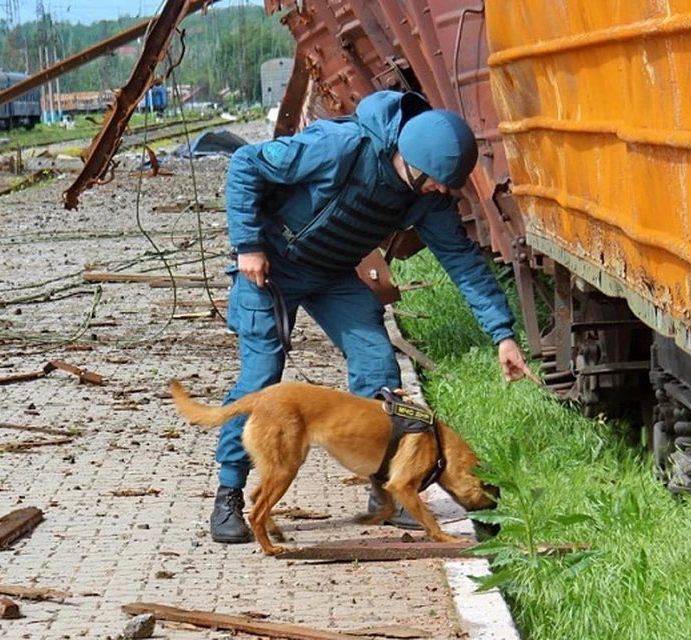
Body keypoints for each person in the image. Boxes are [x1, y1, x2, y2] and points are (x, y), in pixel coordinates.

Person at [210, 90, 535, 544]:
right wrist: (248, 245)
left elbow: (462, 262)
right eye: (437, 180)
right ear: (411, 157)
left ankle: (387, 490)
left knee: (378, 366)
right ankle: (229, 492)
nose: (442, 190)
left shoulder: (426, 198)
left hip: (331, 274)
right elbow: (246, 164)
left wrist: (503, 334)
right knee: (262, 378)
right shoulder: (338, 147)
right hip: (271, 265)